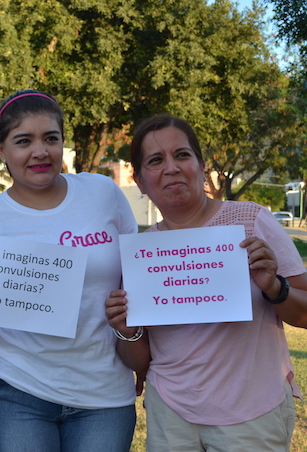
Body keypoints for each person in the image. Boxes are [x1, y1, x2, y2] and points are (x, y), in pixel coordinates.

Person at [0, 90, 138, 452]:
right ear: (1, 149)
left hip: (103, 392)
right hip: (14, 390)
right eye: (24, 141)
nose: (40, 151)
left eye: (51, 138)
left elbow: (135, 273)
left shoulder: (103, 193)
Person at [105, 114, 307, 452]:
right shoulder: (142, 254)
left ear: (201, 165)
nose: (171, 168)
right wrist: (127, 329)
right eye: (156, 160)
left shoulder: (250, 220)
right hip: (170, 414)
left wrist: (275, 287)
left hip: (251, 415)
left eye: (181, 155)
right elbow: (140, 361)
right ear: (140, 182)